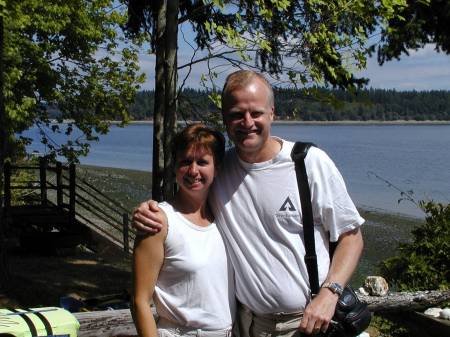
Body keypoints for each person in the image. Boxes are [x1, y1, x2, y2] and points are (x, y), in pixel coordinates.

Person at [132, 70, 364, 337]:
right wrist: (148, 209)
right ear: (225, 119)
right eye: (236, 114)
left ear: (272, 113)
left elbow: (351, 236)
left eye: (256, 113)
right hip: (250, 326)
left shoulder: (308, 163)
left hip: (309, 322)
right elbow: (186, 201)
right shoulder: (220, 169)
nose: (247, 122)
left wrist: (329, 293)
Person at [132, 123, 235, 337]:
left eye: (202, 162)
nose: (193, 171)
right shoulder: (159, 221)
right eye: (186, 162)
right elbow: (140, 300)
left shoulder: (225, 217)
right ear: (175, 167)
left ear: (217, 169)